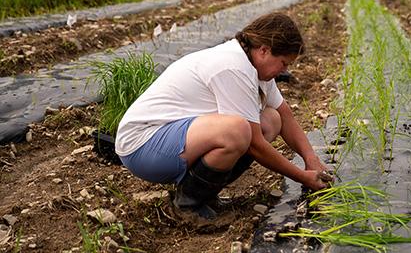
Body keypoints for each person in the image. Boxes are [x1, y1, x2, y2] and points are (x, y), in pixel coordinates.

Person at [116, 12, 330, 219]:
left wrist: (310, 158)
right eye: (284, 63)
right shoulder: (233, 67)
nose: (284, 70)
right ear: (264, 50)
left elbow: (285, 115)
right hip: (143, 145)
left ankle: (205, 194)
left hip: (172, 138)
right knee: (237, 131)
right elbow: (254, 144)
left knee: (272, 119)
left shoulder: (255, 67)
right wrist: (302, 176)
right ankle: (188, 204)